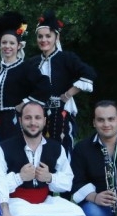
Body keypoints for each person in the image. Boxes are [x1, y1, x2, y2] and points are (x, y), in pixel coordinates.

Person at [0, 101, 86, 216]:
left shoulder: (56, 147)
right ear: (20, 121)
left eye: (37, 117)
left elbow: (68, 181)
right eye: (28, 118)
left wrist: (50, 177)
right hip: (16, 203)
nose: (33, 122)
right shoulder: (4, 148)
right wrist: (19, 178)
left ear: (44, 121)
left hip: (44, 201)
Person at [34, 10, 96, 153]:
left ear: (57, 37)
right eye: (40, 36)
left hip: (61, 112)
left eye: (48, 36)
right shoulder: (33, 63)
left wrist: (69, 94)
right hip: (37, 115)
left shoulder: (66, 58)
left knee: (61, 149)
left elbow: (89, 74)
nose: (44, 40)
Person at [0, 11, 50, 145]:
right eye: (4, 43)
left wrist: (25, 103)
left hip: (14, 120)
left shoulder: (26, 69)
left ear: (19, 45)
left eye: (11, 43)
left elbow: (44, 86)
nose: (7, 46)